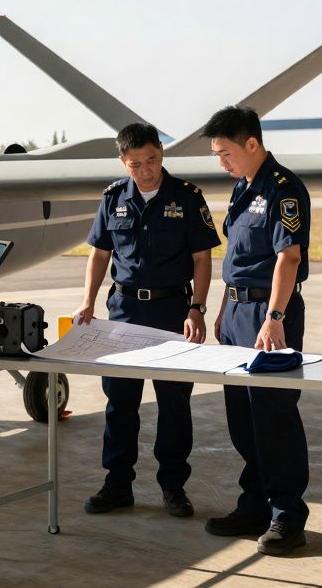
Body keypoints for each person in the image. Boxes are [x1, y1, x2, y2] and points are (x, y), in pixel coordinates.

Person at [72, 121, 220, 517]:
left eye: (151, 159)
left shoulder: (187, 197)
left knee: (174, 403)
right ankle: (117, 485)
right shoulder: (113, 198)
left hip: (172, 312)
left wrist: (198, 308)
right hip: (122, 313)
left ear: (161, 153)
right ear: (123, 162)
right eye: (135, 163)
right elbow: (100, 253)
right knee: (120, 404)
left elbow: (202, 258)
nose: (145, 169)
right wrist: (87, 301)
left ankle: (173, 487)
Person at [200, 105, 311, 556]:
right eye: (216, 154)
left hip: (271, 315)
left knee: (273, 416)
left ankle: (287, 515)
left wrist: (275, 317)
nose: (221, 162)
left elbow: (289, 258)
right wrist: (225, 309)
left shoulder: (284, 190)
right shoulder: (243, 188)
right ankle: (254, 505)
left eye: (226, 152)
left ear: (251, 144)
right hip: (237, 313)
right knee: (242, 418)